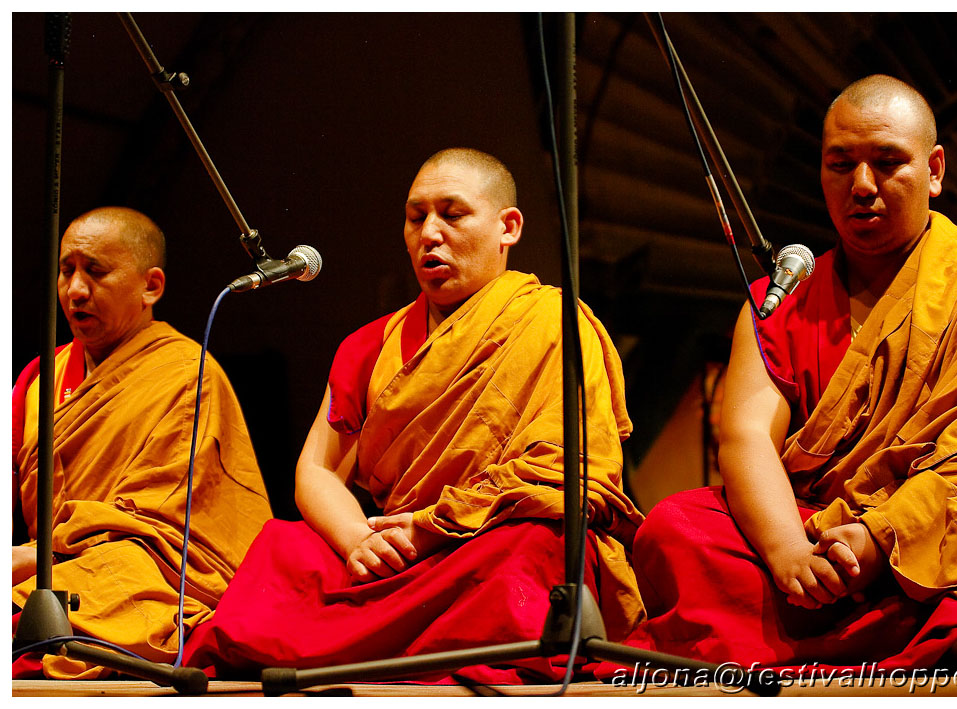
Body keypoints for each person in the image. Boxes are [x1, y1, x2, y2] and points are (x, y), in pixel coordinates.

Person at [614, 75, 957, 675]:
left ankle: (944, 635)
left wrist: (882, 537)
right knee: (674, 529)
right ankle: (917, 642)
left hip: (923, 536)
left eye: (888, 162)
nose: (862, 186)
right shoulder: (781, 301)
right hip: (814, 541)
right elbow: (747, 437)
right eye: (842, 164)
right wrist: (788, 551)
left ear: (935, 169)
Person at [183, 148, 645, 681]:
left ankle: (368, 649)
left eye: (452, 214)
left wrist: (436, 527)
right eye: (415, 216)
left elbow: (568, 472)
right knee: (285, 546)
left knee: (537, 545)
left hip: (482, 544)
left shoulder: (554, 322)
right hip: (394, 555)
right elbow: (315, 471)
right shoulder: (368, 345)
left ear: (508, 227)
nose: (429, 234)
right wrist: (359, 539)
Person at [12, 207, 273, 679]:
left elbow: (163, 526)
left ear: (151, 286)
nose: (74, 289)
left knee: (102, 608)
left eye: (96, 272)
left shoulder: (187, 375)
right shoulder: (38, 380)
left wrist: (37, 558)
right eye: (66, 270)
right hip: (50, 573)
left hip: (142, 574)